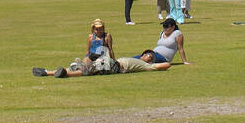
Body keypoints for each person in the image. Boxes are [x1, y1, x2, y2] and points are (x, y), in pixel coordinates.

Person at [34, 49, 171, 77]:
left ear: (150, 61)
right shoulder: (136, 58)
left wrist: (157, 65)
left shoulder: (147, 66)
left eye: (149, 56)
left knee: (88, 68)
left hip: (115, 66)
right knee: (79, 66)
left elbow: (166, 65)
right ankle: (48, 72)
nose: (145, 55)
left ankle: (64, 74)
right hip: (111, 62)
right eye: (145, 53)